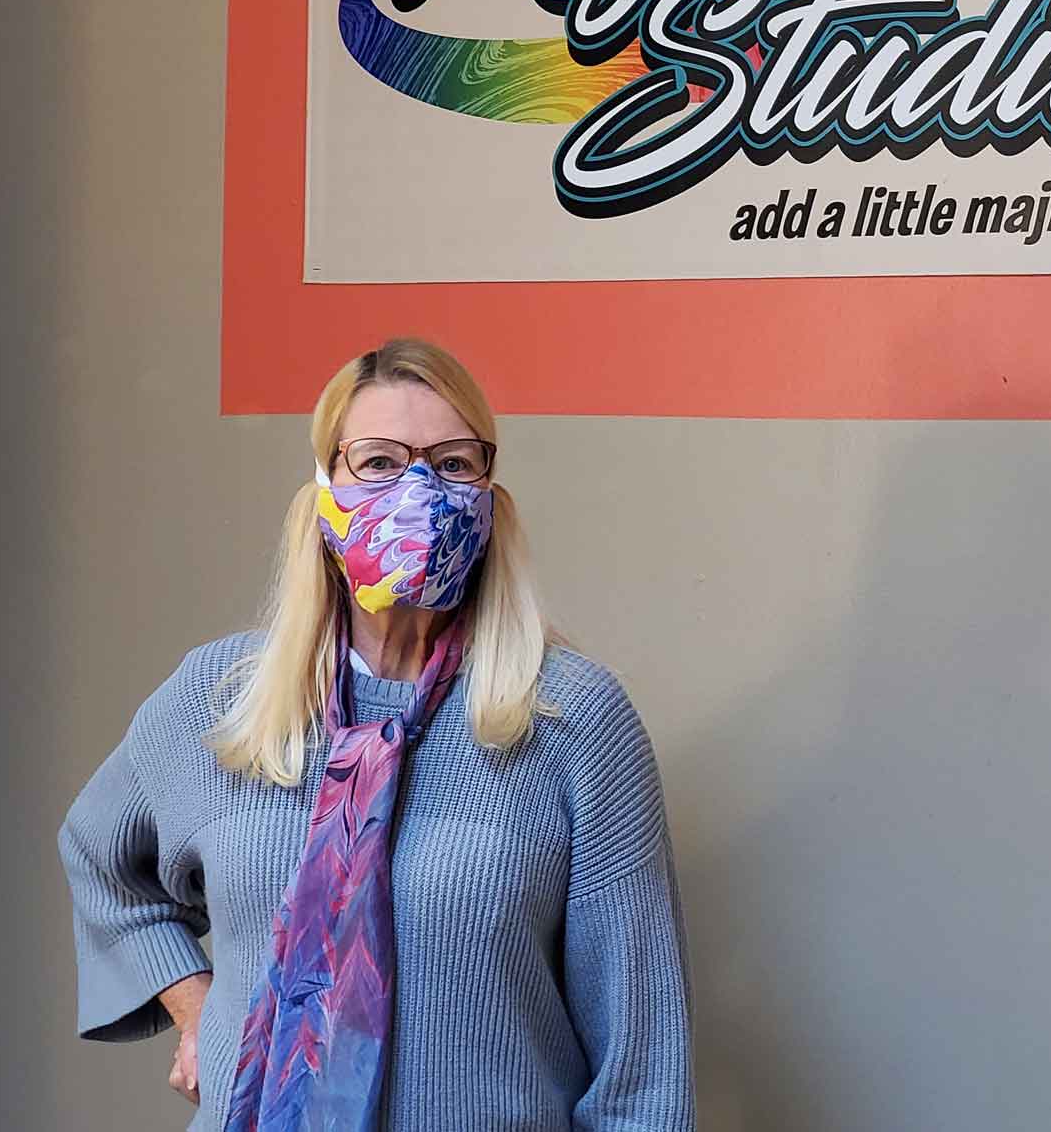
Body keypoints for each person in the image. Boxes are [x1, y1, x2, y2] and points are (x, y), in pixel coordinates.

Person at [59, 339, 694, 1130]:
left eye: (453, 464)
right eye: (379, 462)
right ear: (324, 494)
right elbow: (102, 858)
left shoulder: (574, 720)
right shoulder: (220, 697)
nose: (419, 491)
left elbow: (642, 1067)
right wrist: (198, 1013)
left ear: (490, 497)